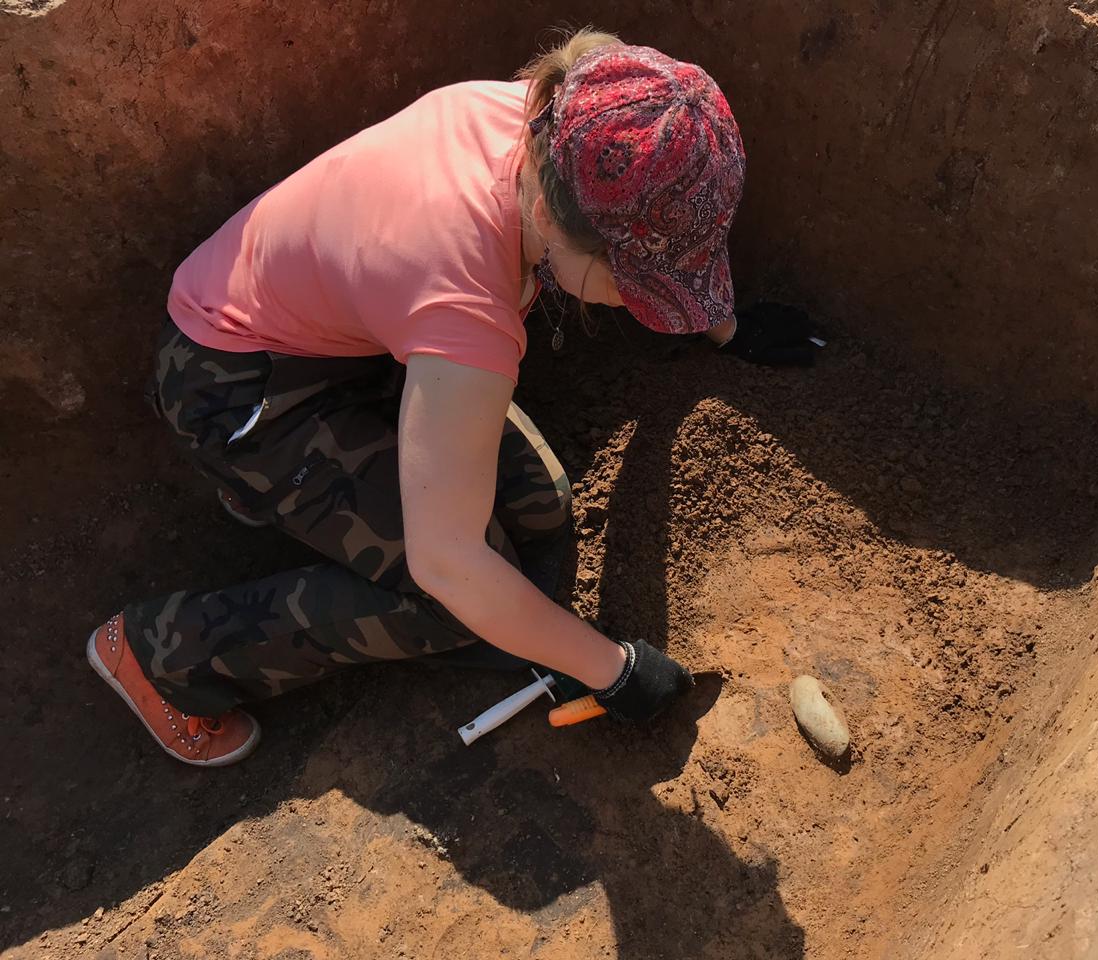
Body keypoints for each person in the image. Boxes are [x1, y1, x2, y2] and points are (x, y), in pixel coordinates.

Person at [86, 29, 819, 766]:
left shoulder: (568, 121)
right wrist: (614, 670)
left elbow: (663, 223)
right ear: (566, 232)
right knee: (448, 606)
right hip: (236, 386)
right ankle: (166, 658)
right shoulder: (465, 307)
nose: (636, 306)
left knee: (543, 504)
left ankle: (280, 494)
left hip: (342, 338)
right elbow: (448, 564)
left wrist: (719, 322)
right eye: (635, 288)